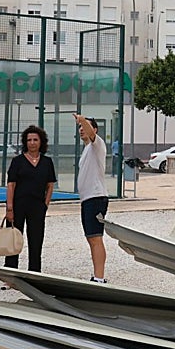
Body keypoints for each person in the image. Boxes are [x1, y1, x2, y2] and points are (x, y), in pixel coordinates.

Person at [4, 125, 56, 272]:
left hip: (37, 206)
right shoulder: (17, 161)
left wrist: (45, 205)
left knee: (36, 240)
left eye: (35, 140)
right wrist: (9, 207)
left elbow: (50, 185)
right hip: (17, 205)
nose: (32, 143)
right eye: (29, 140)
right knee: (13, 240)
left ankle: (34, 272)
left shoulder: (47, 162)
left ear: (41, 142)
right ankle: (11, 272)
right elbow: (11, 185)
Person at [74, 114, 108, 283]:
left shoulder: (98, 145)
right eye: (79, 127)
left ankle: (99, 277)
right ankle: (97, 274)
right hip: (87, 199)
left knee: (96, 237)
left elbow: (91, 133)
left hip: (96, 197)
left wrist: (81, 119)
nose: (81, 130)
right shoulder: (86, 149)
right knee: (91, 237)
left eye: (84, 127)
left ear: (94, 129)